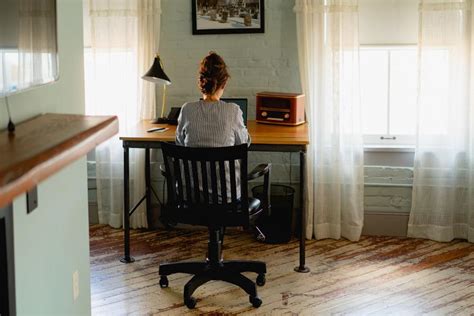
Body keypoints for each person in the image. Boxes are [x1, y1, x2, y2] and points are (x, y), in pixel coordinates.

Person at [176, 51, 249, 147]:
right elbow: (243, 144)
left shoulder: (187, 109)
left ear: (201, 82)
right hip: (224, 162)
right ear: (224, 83)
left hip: (193, 162)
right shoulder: (233, 111)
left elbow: (179, 143)